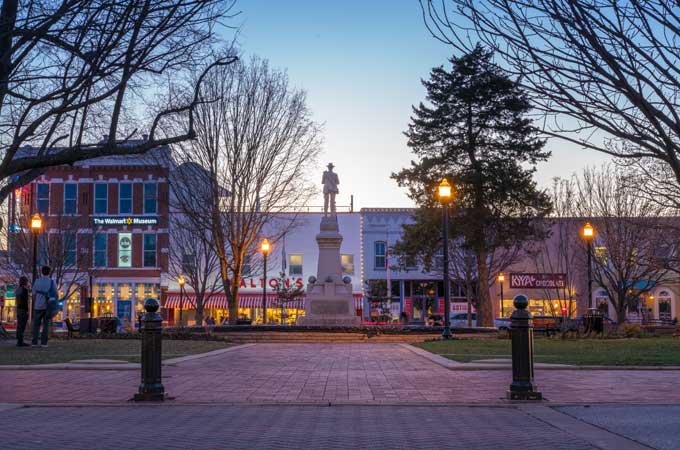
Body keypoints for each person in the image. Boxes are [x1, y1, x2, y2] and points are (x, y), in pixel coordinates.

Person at [31, 266, 58, 347]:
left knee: (36, 325)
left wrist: (35, 304)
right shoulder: (52, 282)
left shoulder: (37, 281)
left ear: (42, 272)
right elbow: (55, 294)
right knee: (46, 325)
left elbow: (33, 294)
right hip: (47, 306)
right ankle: (44, 343)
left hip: (37, 306)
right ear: (49, 272)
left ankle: (34, 342)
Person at [15, 276, 30, 347]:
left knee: (19, 325)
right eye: (27, 281)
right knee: (22, 325)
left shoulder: (18, 290)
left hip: (18, 309)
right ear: (25, 282)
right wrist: (27, 310)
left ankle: (19, 340)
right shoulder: (25, 290)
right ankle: (20, 342)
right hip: (23, 309)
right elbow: (25, 301)